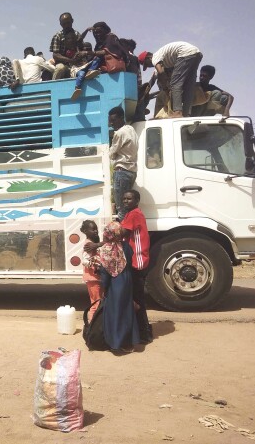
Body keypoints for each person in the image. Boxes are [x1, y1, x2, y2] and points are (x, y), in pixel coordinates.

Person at [98, 221, 140, 351]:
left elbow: (105, 273)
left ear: (108, 234)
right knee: (127, 310)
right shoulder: (126, 246)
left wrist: (104, 287)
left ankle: (116, 343)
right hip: (126, 280)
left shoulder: (106, 250)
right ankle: (130, 342)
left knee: (115, 312)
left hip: (115, 283)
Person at [121, 190, 153, 343]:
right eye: (124, 199)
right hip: (135, 261)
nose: (126, 201)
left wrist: (99, 243)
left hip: (137, 262)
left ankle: (144, 333)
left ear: (137, 200)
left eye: (129, 198)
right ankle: (142, 331)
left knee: (137, 300)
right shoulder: (131, 213)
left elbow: (120, 233)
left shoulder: (134, 214)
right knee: (135, 298)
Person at [139, 42, 203, 118]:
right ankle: (186, 114)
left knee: (175, 84)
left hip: (185, 54)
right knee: (189, 86)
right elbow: (156, 77)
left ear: (148, 57)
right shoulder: (164, 59)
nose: (149, 66)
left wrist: (165, 88)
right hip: (197, 54)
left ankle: (177, 112)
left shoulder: (155, 57)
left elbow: (161, 72)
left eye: (146, 64)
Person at [71, 21, 126, 101]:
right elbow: (78, 42)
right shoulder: (99, 43)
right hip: (101, 68)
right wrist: (86, 30)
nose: (98, 34)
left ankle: (90, 71)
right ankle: (78, 85)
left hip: (112, 66)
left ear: (105, 30)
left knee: (97, 57)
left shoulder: (110, 37)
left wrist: (87, 53)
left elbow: (106, 52)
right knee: (82, 70)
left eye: (100, 32)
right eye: (96, 32)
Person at [108, 106, 138, 221]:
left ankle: (122, 236)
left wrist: (114, 154)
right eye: (110, 121)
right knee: (128, 207)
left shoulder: (119, 133)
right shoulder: (131, 129)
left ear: (121, 118)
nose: (111, 124)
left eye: (113, 120)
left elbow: (111, 153)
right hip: (131, 171)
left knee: (121, 208)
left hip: (122, 172)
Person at [49, 12, 84, 80]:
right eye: (64, 24)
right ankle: (54, 87)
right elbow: (55, 55)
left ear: (72, 21)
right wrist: (70, 60)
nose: (66, 25)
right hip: (63, 63)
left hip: (77, 63)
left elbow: (82, 49)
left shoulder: (77, 34)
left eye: (68, 23)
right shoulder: (58, 36)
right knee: (60, 68)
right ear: (61, 24)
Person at [80, 220, 102, 322]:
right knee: (96, 303)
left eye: (96, 229)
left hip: (95, 278)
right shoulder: (88, 244)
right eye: (92, 229)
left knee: (97, 302)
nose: (95, 231)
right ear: (85, 231)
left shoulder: (93, 243)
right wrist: (95, 265)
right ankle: (92, 325)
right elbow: (84, 260)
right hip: (92, 278)